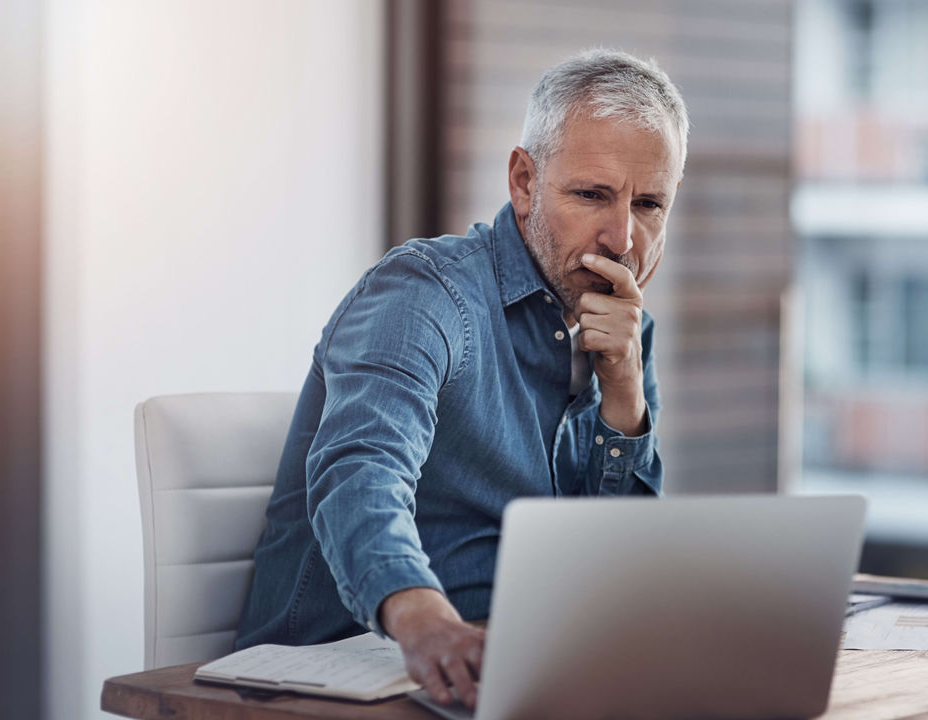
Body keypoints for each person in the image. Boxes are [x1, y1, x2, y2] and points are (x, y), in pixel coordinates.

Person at [236, 48, 688, 710]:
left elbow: (611, 576)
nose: (622, 237)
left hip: (516, 678)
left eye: (649, 204)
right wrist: (426, 624)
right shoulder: (425, 293)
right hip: (350, 676)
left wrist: (623, 400)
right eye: (592, 194)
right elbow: (361, 473)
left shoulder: (622, 332)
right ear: (525, 181)